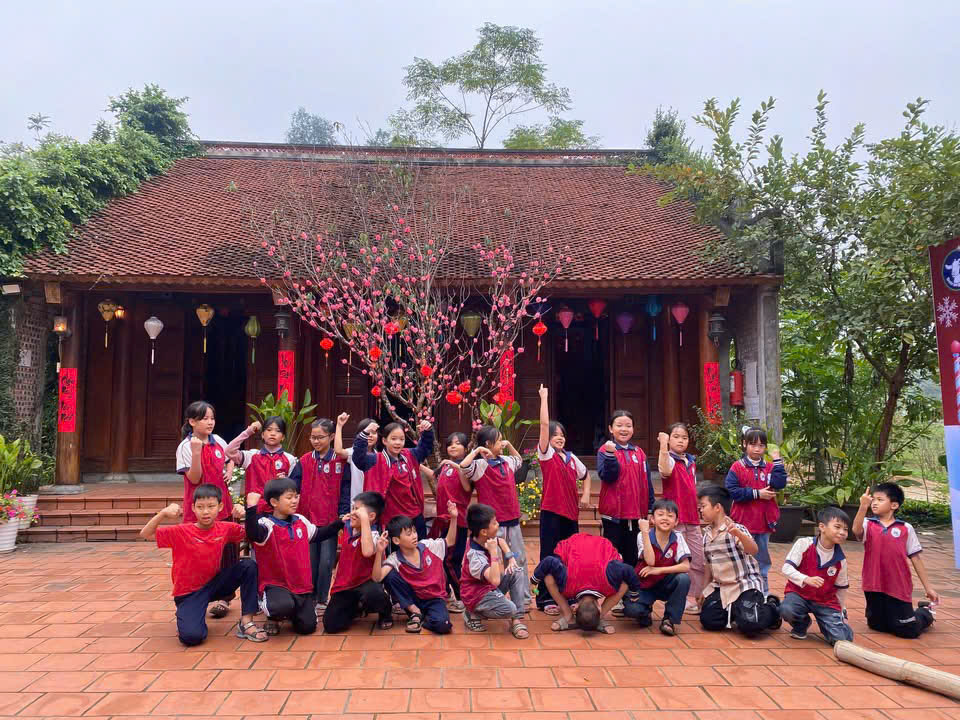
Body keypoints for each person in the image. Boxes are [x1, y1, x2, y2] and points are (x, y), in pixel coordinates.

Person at [140, 484, 266, 645]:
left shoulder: (225, 528)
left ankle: (246, 622)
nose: (206, 512)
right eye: (200, 507)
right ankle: (187, 617)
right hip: (189, 592)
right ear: (193, 508)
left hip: (214, 584)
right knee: (192, 637)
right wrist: (163, 513)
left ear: (220, 507)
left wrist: (245, 514)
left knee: (248, 566)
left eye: (211, 506)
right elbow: (146, 534)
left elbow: (254, 534)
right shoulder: (181, 531)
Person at [245, 477, 348, 636]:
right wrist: (251, 508)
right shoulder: (266, 524)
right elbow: (253, 534)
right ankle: (273, 616)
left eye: (296, 496)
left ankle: (293, 612)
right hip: (276, 584)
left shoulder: (301, 521)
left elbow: (319, 534)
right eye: (289, 497)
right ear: (274, 502)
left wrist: (340, 522)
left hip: (301, 586)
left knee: (308, 627)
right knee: (281, 606)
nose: (294, 501)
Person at [176, 401, 246, 619]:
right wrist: (196, 452)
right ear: (192, 421)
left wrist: (230, 470)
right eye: (204, 418)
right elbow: (194, 478)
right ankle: (198, 597)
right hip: (198, 512)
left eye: (212, 418)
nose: (210, 422)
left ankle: (224, 599)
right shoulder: (185, 446)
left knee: (227, 555)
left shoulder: (219, 441)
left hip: (223, 508)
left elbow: (230, 458)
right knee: (199, 557)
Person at [853, 482, 939, 638]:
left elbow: (916, 558)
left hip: (898, 586)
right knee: (877, 626)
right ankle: (891, 618)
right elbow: (856, 530)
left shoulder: (905, 528)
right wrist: (863, 507)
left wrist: (929, 588)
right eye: (873, 499)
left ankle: (925, 611)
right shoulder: (868, 524)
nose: (874, 503)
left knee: (908, 630)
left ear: (894, 505)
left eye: (880, 500)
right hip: (873, 585)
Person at [460, 426, 532, 609]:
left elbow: (519, 460)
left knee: (517, 559)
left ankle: (523, 598)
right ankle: (495, 598)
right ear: (488, 444)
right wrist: (477, 450)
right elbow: (464, 466)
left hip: (512, 520)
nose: (502, 443)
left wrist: (509, 445)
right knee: (495, 562)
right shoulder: (479, 466)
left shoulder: (506, 461)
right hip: (493, 526)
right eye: (499, 441)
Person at [697, 485, 782, 636]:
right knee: (708, 620)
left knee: (751, 625)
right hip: (722, 587)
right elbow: (709, 565)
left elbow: (753, 550)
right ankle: (738, 611)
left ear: (717, 507)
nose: (700, 510)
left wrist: (739, 535)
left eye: (703, 506)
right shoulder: (706, 535)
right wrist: (704, 590)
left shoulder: (736, 529)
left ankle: (772, 607)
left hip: (744, 585)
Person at [535, 384, 590, 615]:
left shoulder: (571, 458)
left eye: (562, 435)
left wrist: (585, 494)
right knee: (549, 555)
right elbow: (544, 425)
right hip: (551, 512)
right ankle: (545, 598)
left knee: (570, 556)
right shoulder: (546, 454)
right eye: (555, 435)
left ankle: (569, 594)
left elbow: (586, 476)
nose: (559, 438)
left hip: (570, 514)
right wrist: (544, 398)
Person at [289, 418, 350, 616]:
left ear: (331, 437)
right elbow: (293, 485)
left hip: (330, 521)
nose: (316, 441)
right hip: (307, 519)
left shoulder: (340, 461)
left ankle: (322, 599)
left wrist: (343, 511)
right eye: (313, 437)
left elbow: (346, 488)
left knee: (326, 561)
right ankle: (311, 597)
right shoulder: (305, 460)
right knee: (310, 561)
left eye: (320, 437)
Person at [373, 503, 461, 634]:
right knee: (389, 576)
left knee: (443, 626)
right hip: (412, 601)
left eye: (414, 531)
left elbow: (450, 541)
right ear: (396, 541)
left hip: (434, 598)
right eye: (409, 534)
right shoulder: (394, 558)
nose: (414, 536)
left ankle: (422, 617)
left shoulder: (428, 546)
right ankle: (415, 612)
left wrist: (454, 518)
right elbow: (377, 578)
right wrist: (379, 552)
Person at [531, 532, 638, 634]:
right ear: (576, 607)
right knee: (625, 582)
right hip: (586, 546)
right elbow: (628, 570)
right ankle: (569, 616)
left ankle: (596, 618)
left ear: (575, 607)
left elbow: (549, 561)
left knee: (549, 576)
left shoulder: (606, 581)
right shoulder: (570, 582)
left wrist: (535, 580)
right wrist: (634, 592)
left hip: (596, 548)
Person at [724, 426, 787, 595]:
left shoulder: (769, 467)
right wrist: (758, 494)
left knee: (762, 561)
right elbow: (733, 491)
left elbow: (779, 483)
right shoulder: (737, 467)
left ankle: (762, 595)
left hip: (763, 522)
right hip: (742, 522)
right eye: (753, 445)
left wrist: (777, 461)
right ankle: (741, 595)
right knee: (740, 558)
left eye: (761, 445)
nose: (757, 449)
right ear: (745, 444)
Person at [780, 507, 854, 645]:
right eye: (837, 527)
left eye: (845, 529)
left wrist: (841, 610)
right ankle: (801, 624)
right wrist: (806, 579)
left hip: (825, 601)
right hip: (799, 594)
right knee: (787, 609)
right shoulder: (804, 544)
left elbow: (841, 588)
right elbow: (786, 568)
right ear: (822, 527)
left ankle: (834, 624)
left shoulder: (840, 560)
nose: (842, 532)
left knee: (841, 639)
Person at [322, 491, 394, 633]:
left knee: (374, 595)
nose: (353, 513)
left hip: (366, 583)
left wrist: (365, 520)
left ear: (371, 516)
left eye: (358, 510)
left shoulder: (375, 535)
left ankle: (385, 612)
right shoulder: (348, 527)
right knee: (331, 625)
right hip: (347, 585)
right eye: (353, 508)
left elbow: (367, 551)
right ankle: (357, 607)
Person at [351, 417, 434, 538]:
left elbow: (425, 448)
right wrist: (365, 434)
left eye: (401, 439)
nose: (398, 443)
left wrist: (428, 431)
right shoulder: (375, 460)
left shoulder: (410, 455)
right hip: (391, 519)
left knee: (420, 546)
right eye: (393, 439)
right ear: (384, 440)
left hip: (414, 515)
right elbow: (358, 458)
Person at [459, 503, 529, 639]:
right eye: (495, 523)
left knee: (517, 571)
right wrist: (493, 553)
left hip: (487, 587)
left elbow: (501, 541)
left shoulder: (482, 538)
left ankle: (517, 620)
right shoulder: (475, 557)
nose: (498, 525)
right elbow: (495, 581)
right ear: (484, 531)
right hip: (475, 596)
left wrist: (511, 558)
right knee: (509, 609)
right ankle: (473, 613)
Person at [421, 431, 473, 613]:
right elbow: (433, 475)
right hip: (442, 520)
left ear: (466, 448)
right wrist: (417, 464)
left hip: (457, 521)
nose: (453, 446)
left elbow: (467, 487)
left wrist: (456, 466)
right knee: (441, 557)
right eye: (450, 443)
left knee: (451, 560)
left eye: (458, 443)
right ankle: (447, 593)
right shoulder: (445, 466)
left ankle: (463, 597)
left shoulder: (466, 467)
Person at [596, 409, 654, 568]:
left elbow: (647, 483)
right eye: (619, 425)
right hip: (613, 515)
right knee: (613, 556)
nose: (624, 429)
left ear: (633, 429)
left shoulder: (639, 453)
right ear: (610, 428)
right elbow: (607, 476)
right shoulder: (604, 450)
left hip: (636, 515)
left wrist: (650, 509)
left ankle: (631, 583)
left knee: (633, 556)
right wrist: (610, 455)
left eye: (628, 425)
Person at [657, 424, 705, 615]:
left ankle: (697, 597)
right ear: (669, 438)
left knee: (698, 558)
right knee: (677, 559)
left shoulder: (690, 461)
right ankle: (679, 598)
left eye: (684, 437)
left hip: (692, 517)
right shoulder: (668, 458)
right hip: (674, 519)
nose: (681, 440)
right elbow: (665, 471)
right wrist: (663, 445)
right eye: (676, 436)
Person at [625, 500, 691, 636]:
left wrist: (659, 570)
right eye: (660, 514)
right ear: (652, 519)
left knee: (683, 579)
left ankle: (669, 620)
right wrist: (644, 532)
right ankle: (646, 611)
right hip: (645, 584)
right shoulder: (643, 535)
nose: (665, 518)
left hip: (666, 583)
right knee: (632, 610)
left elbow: (686, 566)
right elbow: (650, 561)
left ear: (676, 521)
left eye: (670, 516)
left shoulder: (677, 537)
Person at [226, 416, 298, 515]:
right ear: (263, 435)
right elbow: (229, 450)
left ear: (283, 437)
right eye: (269, 430)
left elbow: (293, 489)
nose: (273, 433)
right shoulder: (251, 456)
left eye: (277, 431)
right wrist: (249, 431)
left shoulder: (290, 459)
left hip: (279, 513)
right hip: (255, 510)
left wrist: (284, 482)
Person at [335, 415, 378, 505]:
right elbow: (338, 451)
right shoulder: (353, 452)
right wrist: (339, 425)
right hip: (356, 503)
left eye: (373, 433)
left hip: (374, 504)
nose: (370, 435)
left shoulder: (380, 457)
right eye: (367, 432)